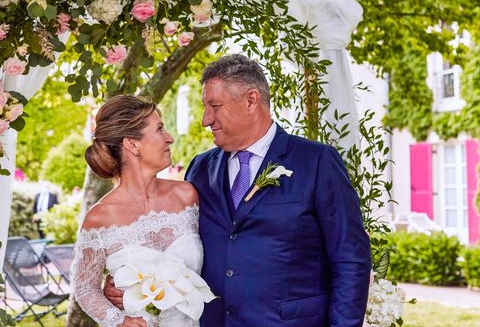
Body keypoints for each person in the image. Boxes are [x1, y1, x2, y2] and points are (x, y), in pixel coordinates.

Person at [107, 54, 372, 326]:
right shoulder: (200, 168)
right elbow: (173, 242)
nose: (205, 120)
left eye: (215, 106)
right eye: (204, 107)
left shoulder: (316, 162)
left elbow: (351, 260)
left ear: (251, 100)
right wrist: (130, 278)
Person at [71, 95, 201, 327]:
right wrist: (120, 321)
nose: (169, 138)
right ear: (132, 144)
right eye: (160, 130)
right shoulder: (100, 218)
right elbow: (84, 288)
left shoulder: (187, 196)